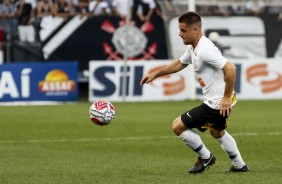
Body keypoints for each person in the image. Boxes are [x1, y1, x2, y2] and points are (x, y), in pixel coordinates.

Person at [140, 11, 249, 174]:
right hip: (219, 100)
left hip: (216, 103)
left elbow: (231, 68)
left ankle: (206, 157)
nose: (179, 34)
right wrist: (155, 74)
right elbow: (179, 64)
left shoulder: (205, 50)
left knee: (178, 126)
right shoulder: (194, 47)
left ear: (195, 30)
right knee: (216, 131)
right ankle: (240, 165)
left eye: (183, 30)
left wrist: (225, 98)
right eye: (180, 30)